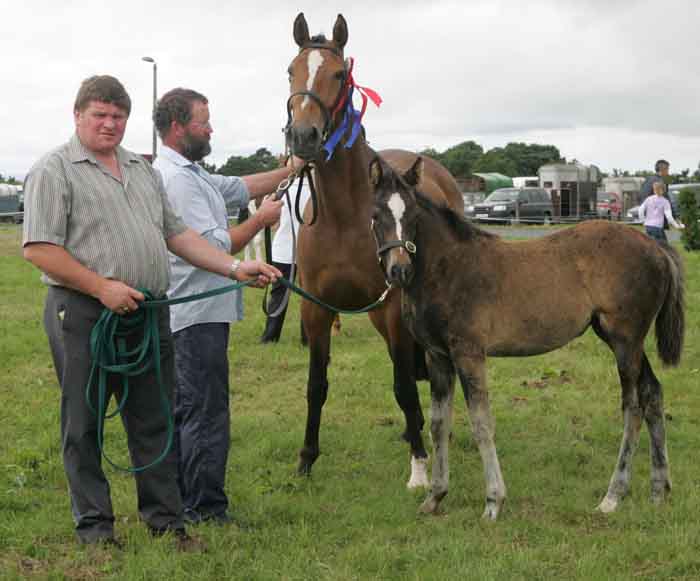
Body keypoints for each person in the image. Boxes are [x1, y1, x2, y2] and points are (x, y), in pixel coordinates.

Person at [21, 75, 280, 549]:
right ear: (77, 115)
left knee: (153, 418)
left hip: (146, 311)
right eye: (99, 115)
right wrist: (102, 288)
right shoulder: (53, 170)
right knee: (84, 422)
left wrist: (231, 267)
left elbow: (177, 235)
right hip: (83, 312)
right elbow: (39, 248)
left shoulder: (142, 171)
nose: (109, 124)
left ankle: (166, 523)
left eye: (118, 116)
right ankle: (96, 530)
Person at [152, 87, 297, 525]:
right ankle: (204, 508)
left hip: (203, 313)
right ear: (178, 128)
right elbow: (216, 245)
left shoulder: (190, 172)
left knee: (191, 407)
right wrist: (260, 221)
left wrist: (293, 168)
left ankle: (183, 496)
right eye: (203, 122)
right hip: (196, 314)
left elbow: (239, 186)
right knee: (205, 411)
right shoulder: (177, 181)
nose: (210, 128)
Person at [260, 181, 311, 343]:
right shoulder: (319, 188)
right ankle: (308, 338)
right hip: (310, 249)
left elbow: (271, 221)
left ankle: (270, 337)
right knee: (310, 296)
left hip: (283, 248)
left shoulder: (282, 188)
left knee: (278, 295)